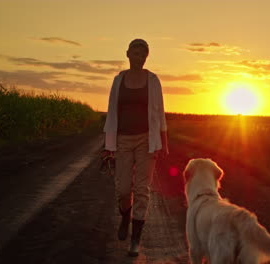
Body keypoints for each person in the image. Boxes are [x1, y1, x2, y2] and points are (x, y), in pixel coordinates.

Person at [103, 38, 169, 257]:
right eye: (135, 52)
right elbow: (112, 111)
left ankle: (135, 241)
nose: (138, 57)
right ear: (127, 54)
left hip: (146, 140)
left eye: (143, 54)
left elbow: (160, 113)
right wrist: (108, 145)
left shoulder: (153, 80)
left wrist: (164, 142)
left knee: (142, 190)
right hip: (122, 139)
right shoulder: (118, 80)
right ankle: (125, 215)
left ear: (146, 57)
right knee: (123, 189)